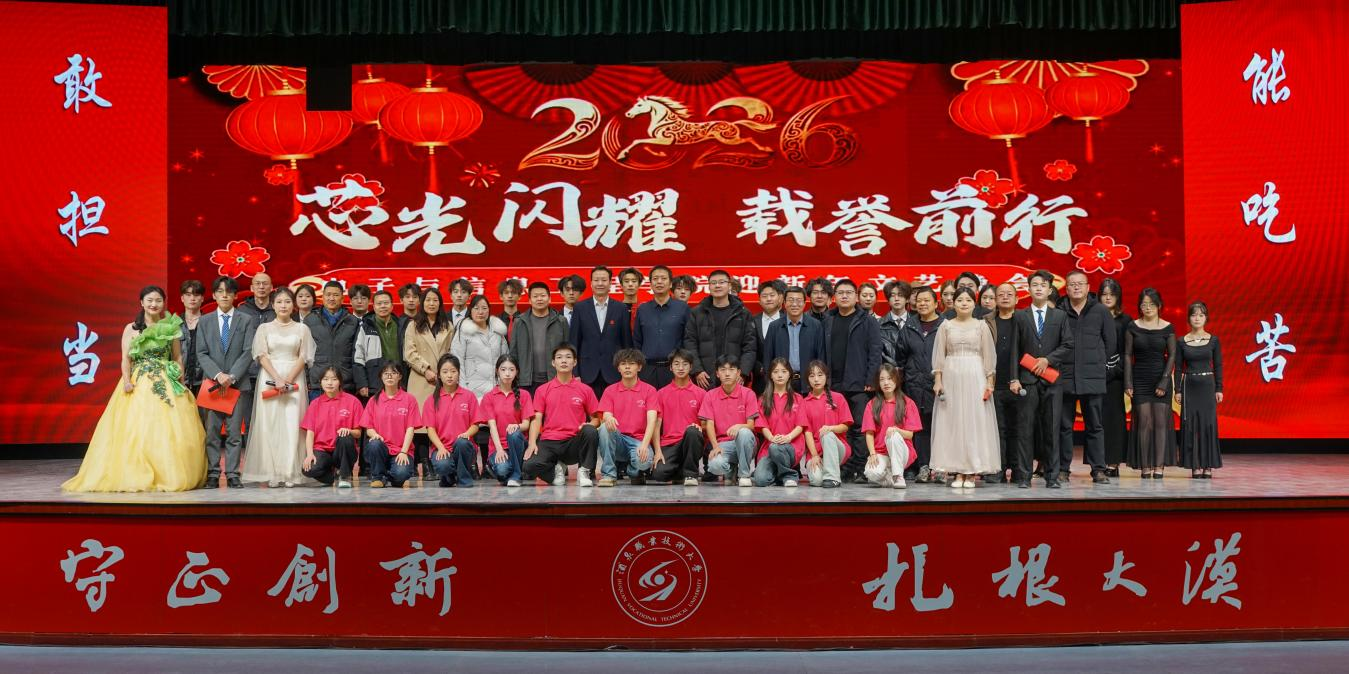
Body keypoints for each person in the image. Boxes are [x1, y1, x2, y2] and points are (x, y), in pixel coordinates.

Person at [63, 286, 207, 492]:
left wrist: (180, 380)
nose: (154, 304)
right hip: (138, 381)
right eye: (149, 300)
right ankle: (136, 472)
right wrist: (126, 381)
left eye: (158, 300)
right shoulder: (131, 328)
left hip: (165, 380)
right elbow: (126, 359)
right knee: (136, 428)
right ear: (142, 303)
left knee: (169, 429)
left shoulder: (170, 327)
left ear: (163, 303)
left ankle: (167, 473)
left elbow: (177, 357)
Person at [241, 288, 315, 487]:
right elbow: (261, 355)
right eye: (279, 302)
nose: (283, 305)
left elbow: (304, 356)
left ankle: (290, 472)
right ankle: (272, 472)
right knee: (270, 424)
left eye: (287, 301)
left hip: (294, 378)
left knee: (293, 423)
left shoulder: (302, 329)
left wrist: (288, 380)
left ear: (293, 305)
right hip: (269, 377)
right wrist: (277, 378)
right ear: (272, 305)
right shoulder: (264, 328)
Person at [931, 287, 1001, 489]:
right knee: (953, 423)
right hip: (951, 376)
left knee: (973, 422)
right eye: (960, 300)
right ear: (953, 303)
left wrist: (989, 382)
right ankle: (957, 471)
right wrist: (938, 380)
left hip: (975, 376)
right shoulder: (945, 326)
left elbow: (989, 357)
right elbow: (939, 356)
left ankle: (971, 472)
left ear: (974, 303)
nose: (964, 303)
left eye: (968, 300)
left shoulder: (981, 326)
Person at [1012, 270, 1073, 489]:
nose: (1039, 288)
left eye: (1043, 285)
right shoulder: (1020, 316)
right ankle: (1024, 476)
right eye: (1035, 285)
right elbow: (1014, 349)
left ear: (1050, 290)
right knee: (1025, 430)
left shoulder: (1060, 316)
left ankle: (1052, 476)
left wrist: (1048, 359)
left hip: (1052, 381)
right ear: (1029, 289)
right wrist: (1014, 378)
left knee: (1052, 429)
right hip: (1027, 380)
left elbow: (1068, 344)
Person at [197, 276, 258, 488]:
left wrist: (231, 376)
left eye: (229, 292)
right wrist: (217, 375)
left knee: (234, 434)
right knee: (212, 433)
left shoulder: (246, 319)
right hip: (213, 385)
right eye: (220, 291)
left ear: (235, 295)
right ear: (214, 295)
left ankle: (233, 473)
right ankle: (213, 473)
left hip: (237, 384)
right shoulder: (204, 321)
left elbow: (248, 351)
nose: (224, 295)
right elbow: (201, 352)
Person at [1058, 270, 1117, 484]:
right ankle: (1062, 469)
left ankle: (1098, 469)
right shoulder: (1059, 311)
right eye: (1072, 284)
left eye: (1080, 284)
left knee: (1095, 426)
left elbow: (1111, 343)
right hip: (1065, 377)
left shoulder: (1100, 310)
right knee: (1064, 427)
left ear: (1088, 287)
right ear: (1066, 288)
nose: (1076, 287)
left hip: (1092, 377)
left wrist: (1100, 366)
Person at [821, 278, 882, 481]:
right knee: (839, 427)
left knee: (859, 426)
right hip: (834, 383)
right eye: (840, 293)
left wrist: (871, 380)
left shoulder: (867, 320)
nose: (844, 296)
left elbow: (875, 352)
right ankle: (844, 467)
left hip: (859, 383)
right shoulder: (828, 319)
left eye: (848, 293)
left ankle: (860, 467)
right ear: (834, 297)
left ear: (856, 297)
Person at [522, 343, 601, 486]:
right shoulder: (543, 390)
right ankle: (556, 470)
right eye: (559, 357)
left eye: (568, 357)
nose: (564, 361)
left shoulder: (585, 390)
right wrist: (532, 443)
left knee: (590, 431)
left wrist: (589, 424)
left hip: (574, 442)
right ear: (553, 363)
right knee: (528, 466)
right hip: (550, 441)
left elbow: (596, 419)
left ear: (575, 362)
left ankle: (584, 471)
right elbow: (536, 419)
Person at [1125, 288, 1177, 479]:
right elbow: (1127, 355)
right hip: (1140, 379)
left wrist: (1164, 381)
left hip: (1161, 378)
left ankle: (1159, 466)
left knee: (1161, 423)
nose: (1147, 308)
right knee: (1144, 422)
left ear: (1159, 306)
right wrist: (1128, 382)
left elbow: (1172, 355)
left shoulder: (1168, 327)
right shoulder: (1132, 326)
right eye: (1144, 304)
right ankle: (1145, 465)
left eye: (1152, 304)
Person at [404, 287, 453, 479]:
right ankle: (425, 464)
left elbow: (451, 351)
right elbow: (409, 353)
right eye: (427, 300)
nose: (431, 304)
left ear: (440, 303)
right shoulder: (413, 325)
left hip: (443, 378)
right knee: (421, 424)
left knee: (439, 422)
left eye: (435, 300)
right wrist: (426, 369)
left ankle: (439, 459)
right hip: (420, 378)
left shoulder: (447, 325)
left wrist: (444, 371)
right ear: (422, 303)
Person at [897, 286, 944, 483]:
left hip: (939, 385)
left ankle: (940, 467)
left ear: (936, 303)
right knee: (920, 427)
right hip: (915, 385)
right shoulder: (909, 326)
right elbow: (900, 357)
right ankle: (923, 466)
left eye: (927, 300)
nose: (923, 304)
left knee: (941, 426)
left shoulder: (945, 325)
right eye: (919, 300)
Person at [683, 269, 756, 390]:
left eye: (722, 282)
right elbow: (690, 343)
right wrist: (697, 370)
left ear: (729, 286)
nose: (717, 285)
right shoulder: (697, 312)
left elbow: (750, 346)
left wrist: (742, 372)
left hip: (734, 376)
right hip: (705, 377)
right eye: (713, 283)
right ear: (709, 286)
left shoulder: (743, 313)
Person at [597, 349, 659, 486]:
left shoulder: (649, 390)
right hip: (618, 439)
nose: (627, 367)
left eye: (631, 364)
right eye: (623, 364)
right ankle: (609, 475)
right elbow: (606, 413)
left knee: (643, 462)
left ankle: (632, 471)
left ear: (639, 367)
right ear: (618, 368)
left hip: (638, 441)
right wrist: (608, 417)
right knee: (604, 427)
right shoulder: (610, 390)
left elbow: (652, 420)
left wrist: (645, 444)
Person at [1176, 301, 1223, 479]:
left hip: (1207, 385)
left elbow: (1218, 365)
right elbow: (1178, 368)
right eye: (1194, 315)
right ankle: (1194, 465)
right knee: (1190, 425)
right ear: (1189, 318)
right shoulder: (1182, 341)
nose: (1197, 318)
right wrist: (1177, 390)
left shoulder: (1214, 340)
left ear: (1206, 318)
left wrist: (1219, 388)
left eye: (1201, 315)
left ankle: (1207, 465)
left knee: (1207, 424)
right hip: (1189, 385)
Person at [570, 266, 633, 399]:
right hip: (587, 372)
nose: (600, 283)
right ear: (591, 283)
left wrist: (627, 370)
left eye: (604, 280)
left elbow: (626, 343)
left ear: (610, 283)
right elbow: (574, 342)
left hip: (614, 371)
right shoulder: (580, 308)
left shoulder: (621, 308)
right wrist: (575, 373)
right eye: (596, 280)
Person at [698, 356, 762, 486]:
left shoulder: (748, 394)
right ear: (717, 373)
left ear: (738, 373)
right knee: (715, 465)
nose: (727, 374)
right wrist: (715, 447)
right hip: (723, 444)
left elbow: (751, 425)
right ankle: (731, 469)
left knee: (744, 433)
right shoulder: (710, 395)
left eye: (731, 369)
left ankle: (744, 475)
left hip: (747, 443)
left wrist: (739, 426)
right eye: (723, 370)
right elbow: (709, 424)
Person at [422, 354, 481, 487]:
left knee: (461, 443)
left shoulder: (469, 396)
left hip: (464, 447)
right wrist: (441, 448)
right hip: (442, 447)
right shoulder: (431, 400)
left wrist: (466, 434)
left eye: (453, 371)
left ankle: (463, 479)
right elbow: (430, 430)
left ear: (459, 373)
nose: (449, 375)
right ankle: (448, 477)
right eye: (445, 372)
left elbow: (476, 424)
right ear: (439, 375)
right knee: (443, 465)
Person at [299, 366, 364, 488]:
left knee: (345, 437)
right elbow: (310, 433)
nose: (329, 383)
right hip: (322, 450)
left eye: (334, 379)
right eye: (325, 379)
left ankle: (345, 476)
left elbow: (358, 433)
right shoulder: (315, 404)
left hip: (343, 450)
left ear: (340, 382)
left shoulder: (353, 402)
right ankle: (334, 477)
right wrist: (309, 454)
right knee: (308, 469)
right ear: (320, 382)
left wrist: (349, 431)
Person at [361, 363, 422, 488]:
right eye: (386, 373)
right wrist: (375, 435)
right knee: (374, 444)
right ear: (381, 376)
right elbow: (368, 428)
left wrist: (404, 452)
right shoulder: (373, 400)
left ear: (400, 376)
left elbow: (411, 428)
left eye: (393, 373)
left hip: (401, 450)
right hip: (382, 449)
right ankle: (378, 477)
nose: (389, 376)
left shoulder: (409, 399)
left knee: (401, 475)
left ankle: (391, 474)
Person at [650, 349, 706, 486]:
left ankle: (691, 475)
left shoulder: (701, 393)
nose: (681, 368)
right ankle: (680, 471)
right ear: (670, 367)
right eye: (676, 364)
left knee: (692, 431)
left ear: (691, 367)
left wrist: (699, 427)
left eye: (685, 364)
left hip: (691, 442)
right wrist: (657, 451)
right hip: (669, 443)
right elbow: (656, 425)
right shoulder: (661, 393)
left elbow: (706, 424)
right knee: (658, 474)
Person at [860, 363, 920, 488]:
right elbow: (869, 433)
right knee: (871, 473)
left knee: (893, 435)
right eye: (882, 379)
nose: (886, 383)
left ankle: (898, 476)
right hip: (881, 453)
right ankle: (890, 477)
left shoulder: (908, 403)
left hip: (902, 451)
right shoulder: (872, 404)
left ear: (896, 380)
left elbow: (909, 435)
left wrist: (896, 430)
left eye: (890, 378)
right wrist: (872, 454)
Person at [983, 282, 1020, 483]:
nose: (1005, 297)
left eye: (1009, 294)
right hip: (993, 383)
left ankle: (1017, 469)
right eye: (1001, 294)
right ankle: (998, 468)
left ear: (1017, 298)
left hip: (1018, 383)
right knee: (997, 429)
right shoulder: (986, 321)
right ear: (995, 299)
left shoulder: (1023, 319)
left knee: (1018, 429)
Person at [478, 355, 534, 487]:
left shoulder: (524, 395)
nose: (507, 374)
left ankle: (516, 476)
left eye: (511, 370)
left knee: (513, 433)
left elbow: (526, 424)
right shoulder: (489, 397)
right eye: (503, 369)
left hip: (519, 444)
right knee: (502, 470)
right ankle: (505, 469)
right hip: (499, 446)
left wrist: (516, 426)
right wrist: (499, 450)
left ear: (517, 372)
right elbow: (492, 426)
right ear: (497, 371)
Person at [798, 361, 853, 487]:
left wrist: (831, 428)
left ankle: (833, 478)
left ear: (826, 377)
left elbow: (845, 426)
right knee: (816, 481)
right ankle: (826, 470)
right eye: (812, 376)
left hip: (838, 448)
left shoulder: (838, 397)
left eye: (820, 375)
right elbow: (807, 432)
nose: (816, 379)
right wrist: (814, 455)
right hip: (816, 452)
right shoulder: (804, 403)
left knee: (827, 434)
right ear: (807, 379)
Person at [633, 265, 690, 389]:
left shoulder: (682, 308)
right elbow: (637, 341)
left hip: (675, 370)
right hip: (647, 370)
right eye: (655, 279)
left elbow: (688, 339)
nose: (659, 282)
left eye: (663, 278)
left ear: (670, 284)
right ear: (650, 284)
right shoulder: (643, 309)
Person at [234, 273, 275, 443]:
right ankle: (250, 453)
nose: (261, 287)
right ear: (251, 287)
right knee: (249, 417)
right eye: (257, 284)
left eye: (265, 283)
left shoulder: (278, 309)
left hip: (272, 373)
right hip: (247, 373)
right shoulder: (241, 311)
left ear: (271, 287)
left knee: (271, 417)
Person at [762, 286, 825, 393]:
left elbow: (820, 357)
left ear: (804, 303)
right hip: (781, 383)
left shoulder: (815, 326)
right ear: (784, 303)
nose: (795, 304)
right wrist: (770, 384)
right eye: (791, 300)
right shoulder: (774, 326)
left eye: (799, 300)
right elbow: (768, 358)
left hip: (808, 383)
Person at [510, 281, 569, 395]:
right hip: (527, 380)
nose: (539, 299)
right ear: (529, 300)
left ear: (549, 298)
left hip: (554, 378)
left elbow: (568, 350)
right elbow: (514, 352)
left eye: (543, 295)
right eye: (535, 296)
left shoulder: (561, 321)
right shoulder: (520, 322)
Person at [303, 281, 359, 400]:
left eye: (336, 295)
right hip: (318, 383)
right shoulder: (310, 320)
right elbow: (303, 353)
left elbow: (356, 354)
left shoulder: (353, 321)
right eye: (328, 295)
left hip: (345, 383)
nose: (331, 298)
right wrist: (307, 380)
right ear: (322, 297)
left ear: (342, 298)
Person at [1098, 278, 1132, 475]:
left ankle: (1113, 463)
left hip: (1116, 377)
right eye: (1104, 294)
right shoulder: (1093, 318)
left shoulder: (1125, 321)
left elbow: (1127, 352)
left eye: (1112, 294)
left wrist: (1113, 371)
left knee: (1115, 419)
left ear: (1118, 297)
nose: (1108, 297)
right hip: (1095, 376)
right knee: (1097, 420)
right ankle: (1099, 462)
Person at [753, 358, 804, 487]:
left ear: (789, 374)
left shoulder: (798, 398)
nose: (780, 375)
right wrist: (771, 438)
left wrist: (788, 437)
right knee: (760, 480)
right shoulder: (763, 399)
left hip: (792, 445)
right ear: (770, 375)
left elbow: (801, 425)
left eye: (784, 371)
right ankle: (780, 473)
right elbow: (761, 425)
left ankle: (789, 475)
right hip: (770, 446)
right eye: (775, 372)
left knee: (776, 448)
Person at [450, 295, 509, 399]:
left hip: (496, 388)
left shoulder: (497, 331)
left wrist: (503, 384)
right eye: (476, 308)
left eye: (484, 308)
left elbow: (505, 359)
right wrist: (463, 389)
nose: (480, 312)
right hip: (473, 389)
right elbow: (457, 361)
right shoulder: (464, 331)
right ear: (470, 310)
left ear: (489, 310)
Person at [354, 289, 407, 397]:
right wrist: (362, 383)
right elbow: (358, 357)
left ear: (392, 306)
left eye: (386, 303)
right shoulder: (366, 327)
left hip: (400, 380)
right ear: (373, 307)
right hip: (375, 382)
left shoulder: (401, 326)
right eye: (379, 303)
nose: (383, 306)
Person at [748, 279, 786, 393]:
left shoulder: (788, 320)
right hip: (760, 379)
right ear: (759, 300)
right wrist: (758, 367)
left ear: (779, 298)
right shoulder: (752, 321)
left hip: (786, 377)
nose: (768, 299)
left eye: (772, 295)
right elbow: (748, 347)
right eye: (764, 296)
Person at [179, 279, 207, 424]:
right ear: (182, 298)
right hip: (179, 380)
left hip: (204, 380)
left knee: (204, 422)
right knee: (182, 422)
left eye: (196, 295)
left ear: (202, 298)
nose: (192, 298)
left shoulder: (210, 322)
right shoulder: (173, 324)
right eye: (188, 295)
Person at [878, 280, 912, 367]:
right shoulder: (878, 324)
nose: (896, 299)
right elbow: (878, 352)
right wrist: (893, 368)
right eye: (892, 295)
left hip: (911, 371)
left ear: (907, 299)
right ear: (888, 300)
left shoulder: (916, 323)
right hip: (887, 371)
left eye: (900, 295)